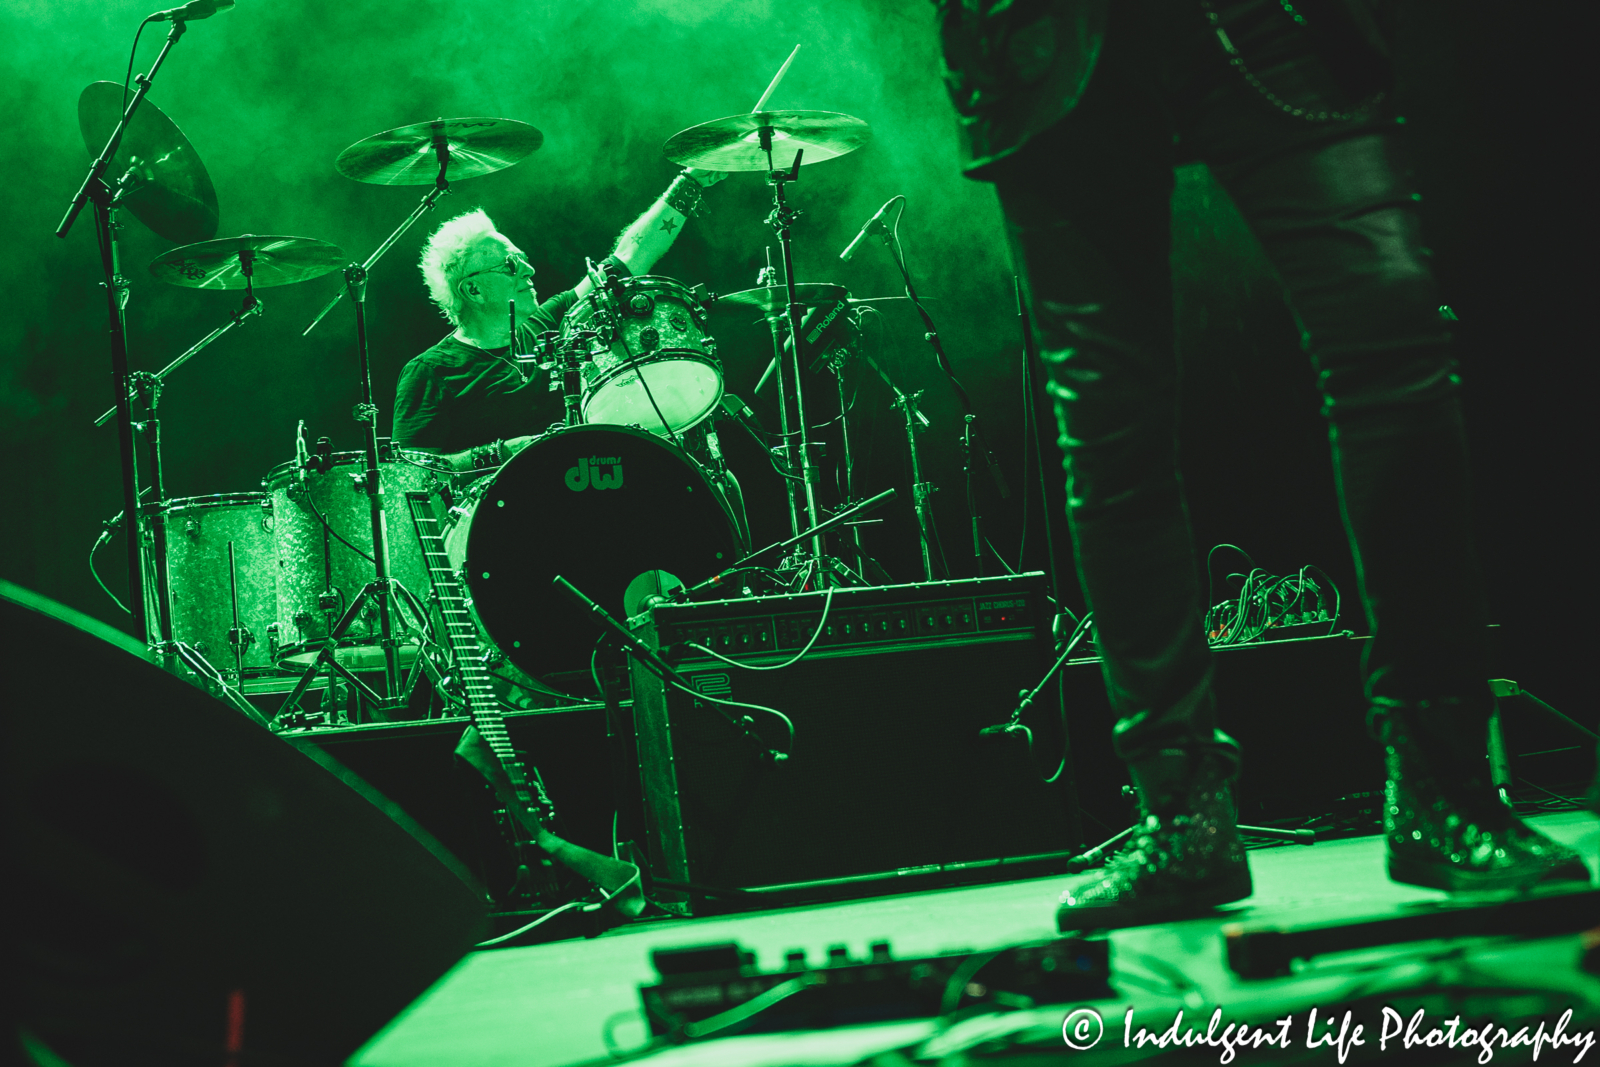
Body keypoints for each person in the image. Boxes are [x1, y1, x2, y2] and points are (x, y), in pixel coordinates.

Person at [933, 0, 1588, 928]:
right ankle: (1182, 817)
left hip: (1273, 19)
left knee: (1393, 348)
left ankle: (1445, 788)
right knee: (1110, 430)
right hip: (1041, 39)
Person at [392, 166, 725, 466]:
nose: (529, 269)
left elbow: (628, 257)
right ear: (473, 291)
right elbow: (411, 473)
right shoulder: (431, 372)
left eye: (522, 258)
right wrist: (502, 452)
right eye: (511, 265)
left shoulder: (548, 326)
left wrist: (689, 182)